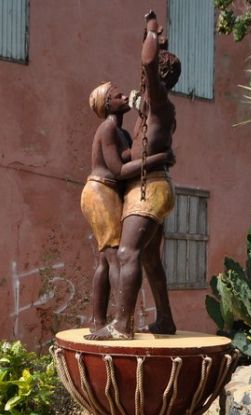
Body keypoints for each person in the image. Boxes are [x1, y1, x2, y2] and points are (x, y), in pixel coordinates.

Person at [87, 11, 181, 340]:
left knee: (126, 254)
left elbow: (149, 65)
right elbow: (126, 158)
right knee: (151, 260)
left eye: (146, 79)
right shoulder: (150, 113)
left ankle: (120, 325)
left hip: (150, 188)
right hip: (151, 184)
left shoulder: (158, 102)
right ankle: (165, 319)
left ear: (158, 78)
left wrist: (151, 34)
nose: (137, 85)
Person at [82, 81, 174, 332]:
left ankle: (98, 321)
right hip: (101, 190)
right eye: (116, 95)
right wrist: (161, 158)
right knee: (114, 257)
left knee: (106, 258)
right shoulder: (108, 128)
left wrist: (141, 110)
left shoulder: (122, 133)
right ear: (106, 105)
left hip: (112, 192)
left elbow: (132, 155)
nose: (123, 95)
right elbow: (120, 170)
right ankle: (116, 322)